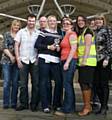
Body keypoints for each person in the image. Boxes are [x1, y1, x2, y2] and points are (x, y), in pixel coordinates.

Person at [35, 15, 63, 113]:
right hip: (44, 58)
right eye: (50, 21)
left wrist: (59, 49)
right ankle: (45, 105)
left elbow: (60, 47)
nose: (52, 22)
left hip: (55, 60)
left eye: (54, 21)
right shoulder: (43, 32)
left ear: (56, 22)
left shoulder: (59, 34)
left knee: (59, 82)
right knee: (44, 82)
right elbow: (37, 45)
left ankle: (56, 104)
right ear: (47, 22)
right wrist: (48, 47)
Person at [15, 14, 40, 111]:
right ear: (27, 21)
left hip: (34, 61)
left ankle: (34, 104)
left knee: (36, 84)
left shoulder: (38, 33)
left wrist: (38, 58)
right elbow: (16, 45)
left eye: (33, 21)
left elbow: (40, 46)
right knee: (23, 84)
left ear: (35, 22)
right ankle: (23, 103)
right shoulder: (21, 32)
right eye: (30, 21)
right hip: (23, 60)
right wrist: (18, 59)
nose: (31, 23)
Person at [55, 18, 78, 116]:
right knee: (68, 84)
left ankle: (67, 108)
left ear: (72, 25)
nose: (65, 25)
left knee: (67, 84)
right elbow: (65, 48)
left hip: (70, 60)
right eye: (64, 23)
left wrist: (67, 62)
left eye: (67, 24)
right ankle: (70, 106)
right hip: (65, 60)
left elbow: (73, 49)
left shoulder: (72, 34)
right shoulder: (65, 35)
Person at [76, 15, 97, 116]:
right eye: (78, 21)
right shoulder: (81, 33)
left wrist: (84, 60)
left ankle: (87, 107)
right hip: (83, 63)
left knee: (85, 84)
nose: (80, 22)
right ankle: (88, 105)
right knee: (83, 83)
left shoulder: (87, 31)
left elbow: (88, 46)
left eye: (82, 20)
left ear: (85, 21)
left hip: (88, 62)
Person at [1, 20, 21, 109]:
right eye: (15, 25)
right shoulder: (7, 34)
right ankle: (6, 103)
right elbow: (4, 47)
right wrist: (11, 57)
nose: (16, 26)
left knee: (16, 83)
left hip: (17, 62)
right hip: (6, 61)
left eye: (18, 25)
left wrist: (16, 58)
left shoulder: (20, 35)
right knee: (6, 82)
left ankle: (13, 102)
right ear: (12, 26)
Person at [94, 15, 112, 115]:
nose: (98, 21)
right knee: (96, 85)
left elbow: (110, 45)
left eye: (100, 19)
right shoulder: (95, 31)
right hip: (95, 61)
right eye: (96, 19)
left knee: (103, 84)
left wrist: (107, 58)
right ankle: (103, 104)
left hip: (104, 60)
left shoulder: (107, 30)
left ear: (103, 20)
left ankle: (104, 107)